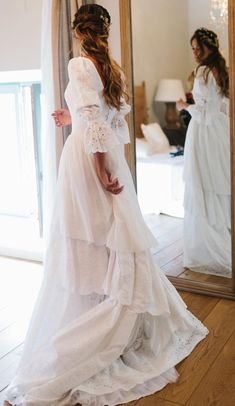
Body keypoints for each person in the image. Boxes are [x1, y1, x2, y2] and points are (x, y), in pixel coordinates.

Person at [5, 6, 208, 406]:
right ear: (105, 31)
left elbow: (96, 121)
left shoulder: (80, 64)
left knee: (93, 231)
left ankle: (95, 321)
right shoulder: (109, 66)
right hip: (103, 152)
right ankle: (103, 302)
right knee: (105, 233)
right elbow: (108, 121)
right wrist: (74, 121)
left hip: (88, 160)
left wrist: (97, 168)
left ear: (79, 31)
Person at [177, 28, 231, 278]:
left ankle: (208, 250)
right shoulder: (221, 70)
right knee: (215, 183)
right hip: (219, 133)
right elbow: (221, 107)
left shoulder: (202, 71)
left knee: (203, 183)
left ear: (208, 47)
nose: (195, 53)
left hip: (203, 133)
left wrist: (185, 106)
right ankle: (219, 240)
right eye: (192, 48)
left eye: (198, 48)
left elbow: (204, 112)